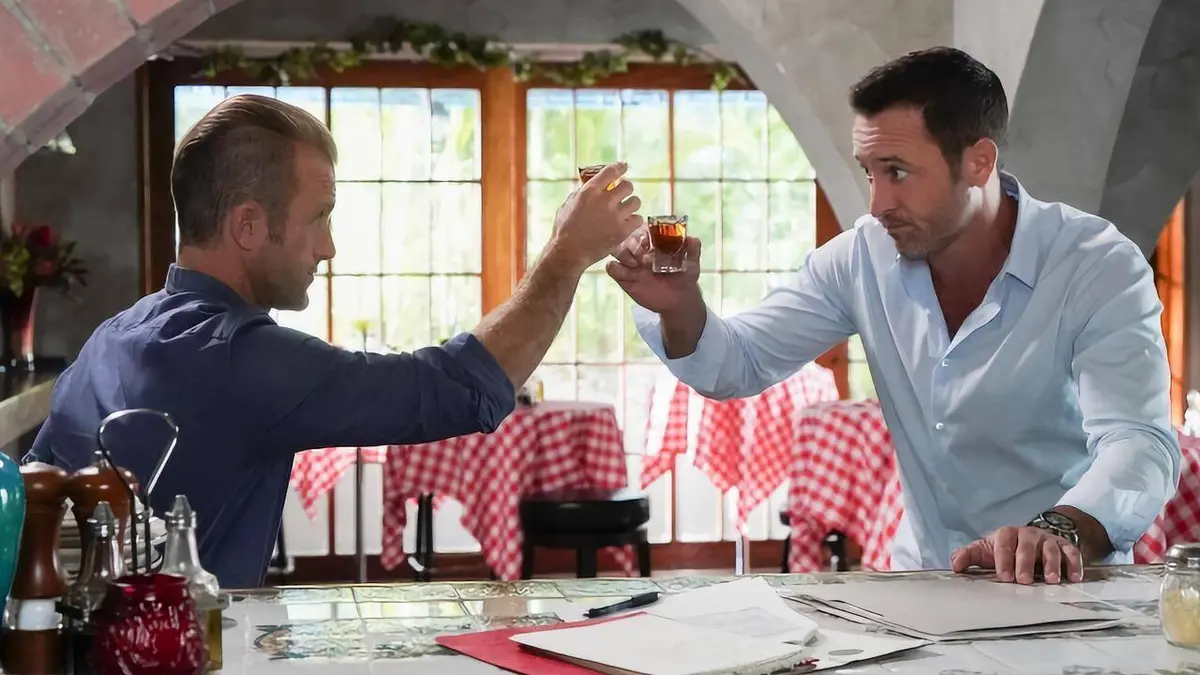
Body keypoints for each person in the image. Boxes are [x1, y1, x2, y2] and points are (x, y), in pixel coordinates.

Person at [608, 47, 1181, 585]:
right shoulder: (861, 257)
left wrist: (1058, 530)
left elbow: (1138, 442)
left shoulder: (1096, 266)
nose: (877, 203)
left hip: (1067, 587)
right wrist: (680, 305)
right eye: (869, 172)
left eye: (898, 172)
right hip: (925, 585)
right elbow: (737, 362)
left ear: (978, 163)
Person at [27, 94, 643, 588]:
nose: (329, 246)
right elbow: (460, 388)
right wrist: (567, 255)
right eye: (319, 215)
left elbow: (34, 502)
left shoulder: (110, 338)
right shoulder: (242, 358)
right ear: (248, 224)